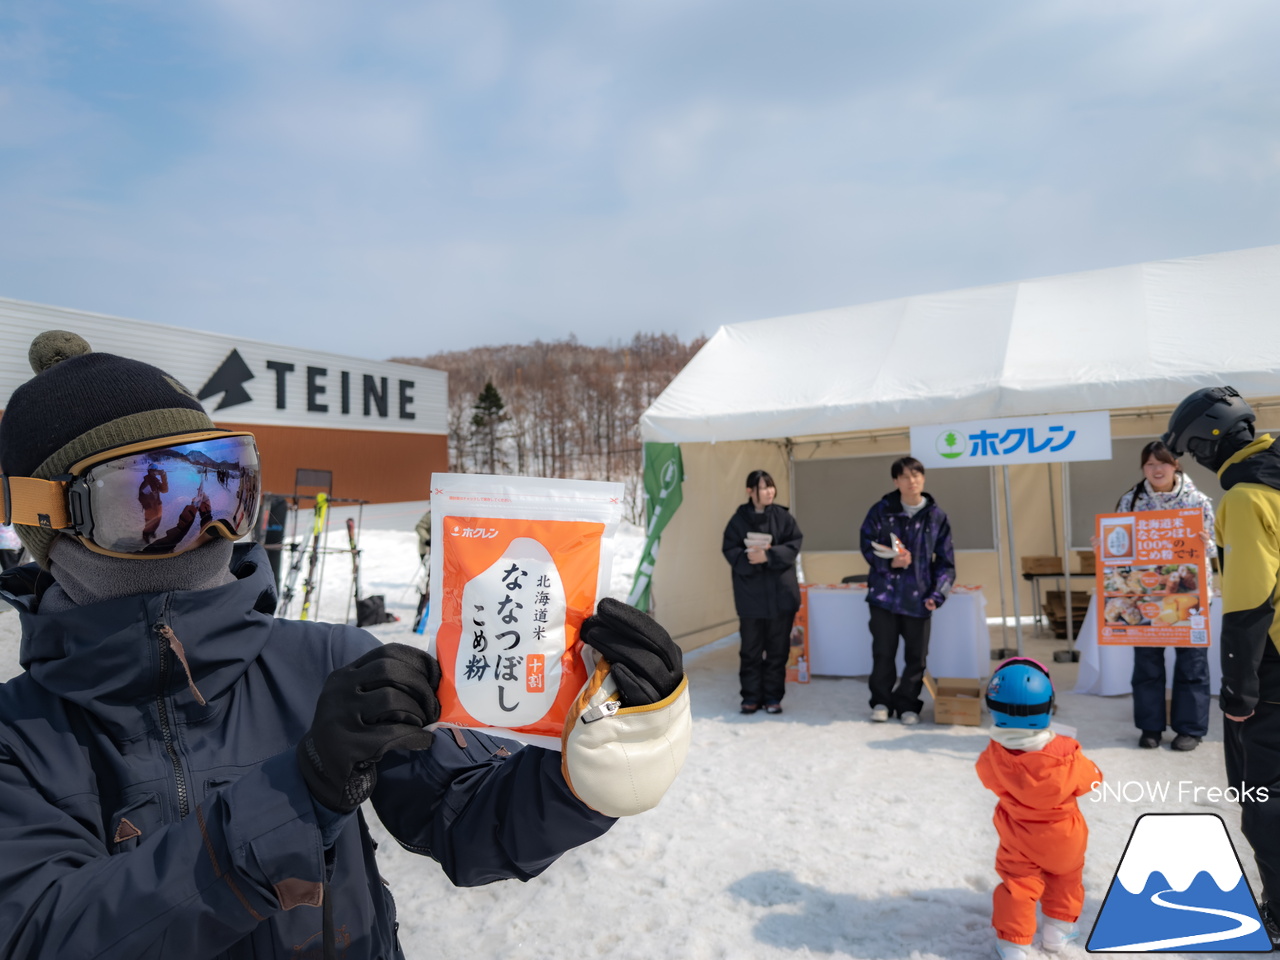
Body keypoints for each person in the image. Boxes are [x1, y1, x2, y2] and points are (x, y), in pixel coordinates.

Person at [0, 330, 692, 960]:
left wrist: (581, 780)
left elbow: (466, 818)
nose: (207, 528)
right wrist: (295, 794)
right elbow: (44, 934)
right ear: (51, 522)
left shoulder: (327, 665)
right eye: (150, 501)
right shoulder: (19, 739)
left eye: (222, 487)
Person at [1163, 385, 1280, 943]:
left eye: (1192, 448)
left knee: (1265, 797)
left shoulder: (1247, 497)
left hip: (1274, 666)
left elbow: (1251, 601)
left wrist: (1238, 690)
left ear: (1210, 440)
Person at [977, 658, 1103, 960]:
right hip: (1064, 835)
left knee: (1018, 886)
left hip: (1017, 835)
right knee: (1065, 878)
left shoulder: (994, 752)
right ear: (1048, 705)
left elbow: (987, 778)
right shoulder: (1067, 752)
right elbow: (1092, 781)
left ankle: (1014, 944)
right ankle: (1057, 932)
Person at [1096, 441, 1216, 751]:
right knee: (1147, 663)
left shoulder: (1198, 500)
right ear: (1143, 468)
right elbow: (1119, 547)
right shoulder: (1131, 501)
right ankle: (1150, 727)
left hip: (1190, 595)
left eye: (1162, 463)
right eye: (1149, 464)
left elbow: (1214, 547)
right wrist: (1104, 547)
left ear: (1176, 465)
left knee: (1192, 664)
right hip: (1144, 593)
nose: (1156, 469)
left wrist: (1206, 542)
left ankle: (1190, 729)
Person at [859, 456, 955, 724]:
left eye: (916, 475)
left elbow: (946, 563)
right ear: (895, 481)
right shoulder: (881, 511)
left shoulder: (937, 517)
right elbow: (866, 545)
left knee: (916, 657)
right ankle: (881, 701)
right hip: (884, 597)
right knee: (883, 652)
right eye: (904, 476)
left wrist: (937, 595)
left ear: (923, 478)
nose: (911, 481)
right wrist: (889, 562)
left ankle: (908, 704)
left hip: (919, 598)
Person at [721, 469, 803, 715]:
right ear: (750, 491)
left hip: (781, 596)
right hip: (750, 597)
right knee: (751, 650)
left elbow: (794, 544)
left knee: (778, 650)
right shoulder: (738, 520)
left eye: (771, 486)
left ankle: (773, 697)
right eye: (764, 487)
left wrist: (769, 555)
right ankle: (751, 696)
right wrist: (749, 558)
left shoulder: (783, 517)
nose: (770, 492)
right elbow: (729, 549)